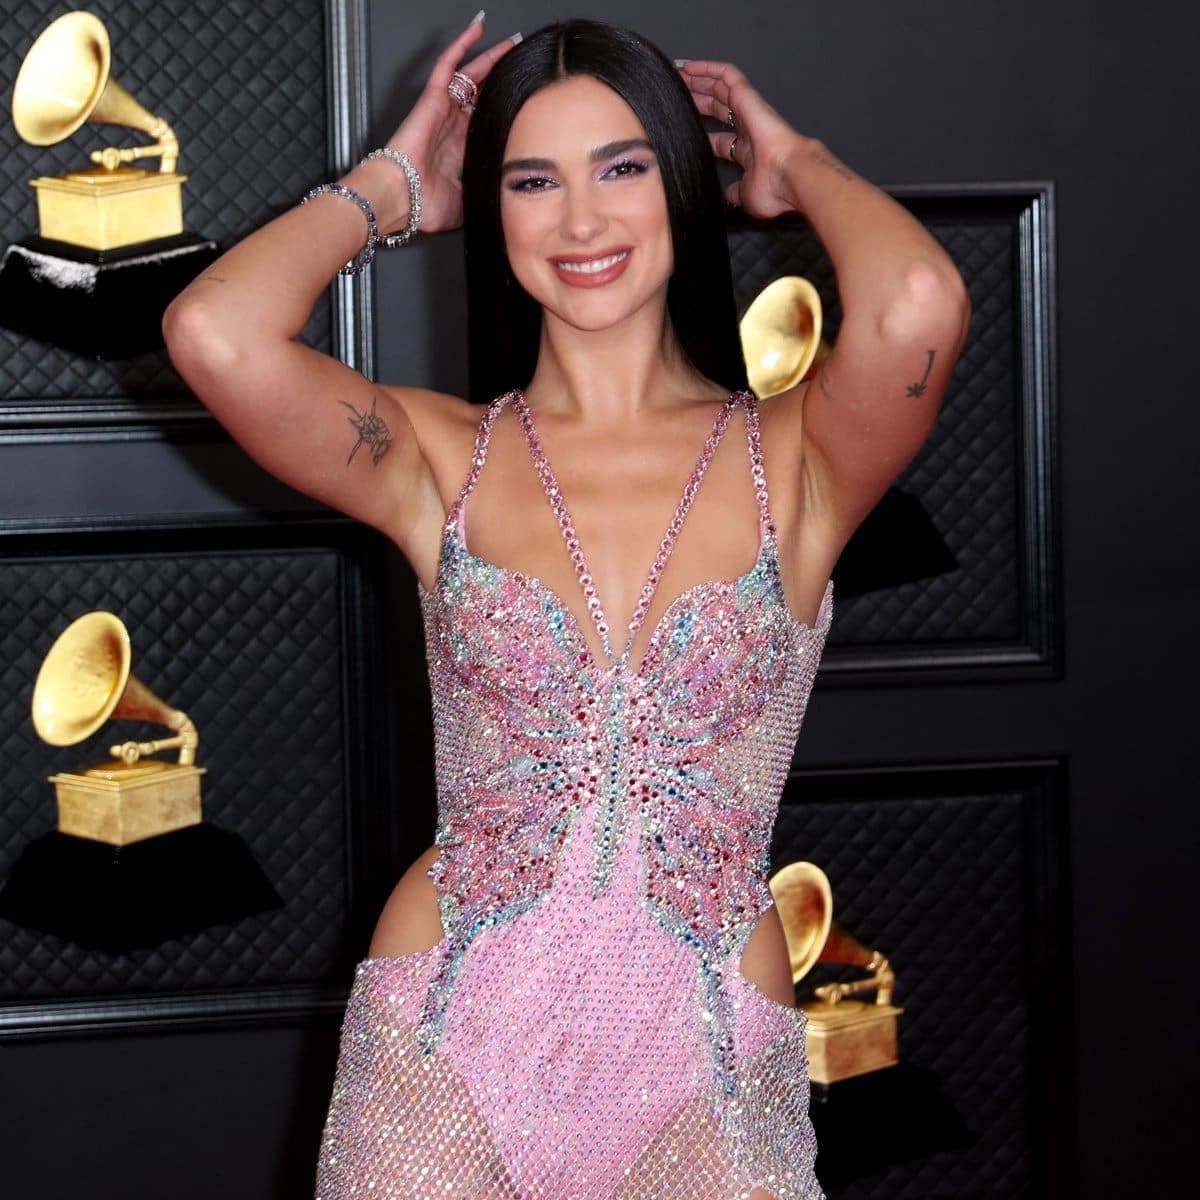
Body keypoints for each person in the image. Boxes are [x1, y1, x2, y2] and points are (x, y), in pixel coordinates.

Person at [164, 14, 969, 1199]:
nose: (581, 222)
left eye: (624, 168)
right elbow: (212, 333)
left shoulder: (795, 461)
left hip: (703, 1066)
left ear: (683, 186)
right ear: (493, 210)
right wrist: (394, 184)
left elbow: (916, 303)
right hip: (445, 1046)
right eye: (533, 181)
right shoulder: (439, 458)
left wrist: (792, 170)